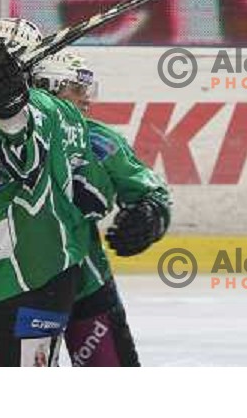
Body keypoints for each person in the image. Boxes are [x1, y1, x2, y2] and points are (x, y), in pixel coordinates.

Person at [0, 19, 114, 367]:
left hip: (26, 272)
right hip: (25, 272)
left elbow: (25, 160)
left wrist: (10, 106)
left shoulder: (41, 106)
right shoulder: (53, 111)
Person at [31, 51, 172, 366]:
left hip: (87, 278)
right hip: (28, 280)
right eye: (77, 88)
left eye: (87, 88)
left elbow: (150, 190)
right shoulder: (16, 137)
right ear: (49, 88)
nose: (86, 98)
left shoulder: (98, 139)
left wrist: (150, 213)